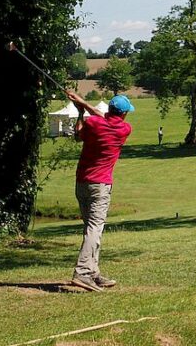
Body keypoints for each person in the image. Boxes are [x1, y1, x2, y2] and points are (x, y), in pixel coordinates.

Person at [66, 90, 134, 292]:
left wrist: (81, 109)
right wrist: (83, 104)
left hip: (82, 183)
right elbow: (101, 116)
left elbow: (79, 134)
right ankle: (82, 273)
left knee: (91, 229)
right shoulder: (124, 129)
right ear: (124, 114)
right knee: (95, 228)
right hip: (100, 185)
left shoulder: (93, 124)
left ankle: (93, 272)